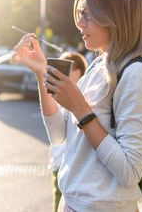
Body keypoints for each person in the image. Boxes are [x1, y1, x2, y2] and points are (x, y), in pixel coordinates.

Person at [12, 0, 142, 212]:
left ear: (116, 16)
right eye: (82, 14)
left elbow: (131, 172)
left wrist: (80, 108)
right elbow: (59, 136)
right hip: (72, 203)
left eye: (89, 15)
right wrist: (41, 72)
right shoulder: (96, 67)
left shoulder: (135, 74)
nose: (80, 23)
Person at [50, 51, 88, 212]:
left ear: (77, 72)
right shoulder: (60, 94)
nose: (59, 73)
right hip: (58, 161)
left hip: (71, 164)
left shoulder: (83, 95)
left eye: (65, 68)